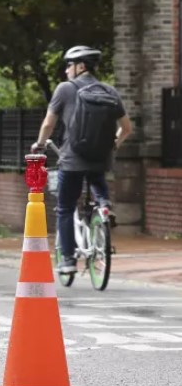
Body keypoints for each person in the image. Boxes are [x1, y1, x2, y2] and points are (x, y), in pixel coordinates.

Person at [32, 46, 131, 274]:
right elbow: (127, 128)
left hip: (72, 159)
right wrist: (112, 145)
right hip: (100, 159)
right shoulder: (109, 91)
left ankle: (67, 260)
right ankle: (105, 206)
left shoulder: (65, 89)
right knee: (97, 179)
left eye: (69, 65)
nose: (66, 70)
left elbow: (48, 123)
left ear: (81, 66)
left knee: (65, 208)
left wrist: (39, 145)